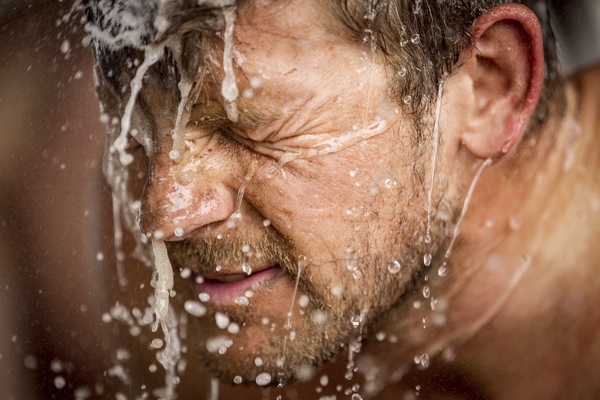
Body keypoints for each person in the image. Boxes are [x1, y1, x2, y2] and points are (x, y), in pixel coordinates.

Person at [75, 0, 600, 398]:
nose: (163, 216)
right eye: (140, 130)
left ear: (488, 89)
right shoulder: (199, 301)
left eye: (248, 131)